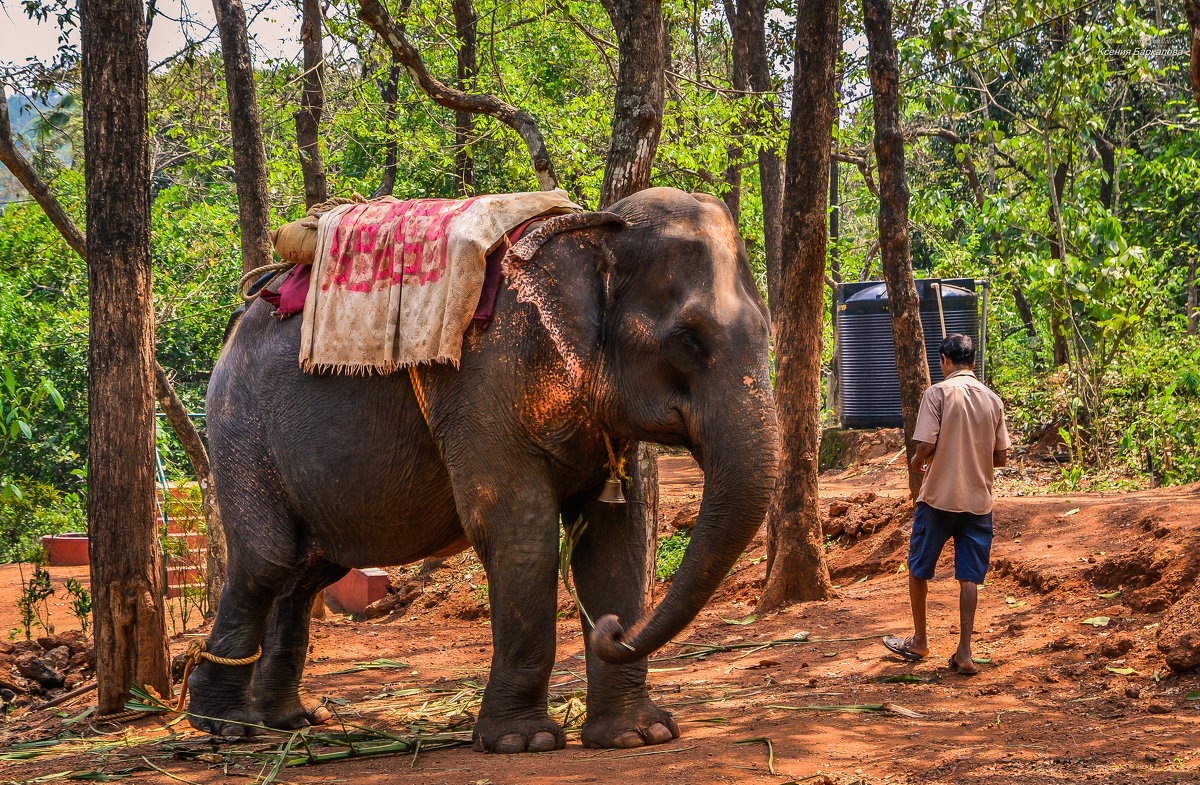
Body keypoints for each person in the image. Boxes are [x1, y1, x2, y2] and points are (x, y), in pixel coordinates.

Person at [882, 333, 1010, 674]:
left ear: (944, 361)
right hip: (978, 501)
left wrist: (916, 460)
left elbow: (924, 444)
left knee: (918, 567)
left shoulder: (937, 393)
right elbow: (1001, 457)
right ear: (972, 362)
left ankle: (920, 640)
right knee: (969, 576)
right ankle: (965, 652)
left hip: (938, 497)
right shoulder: (993, 400)